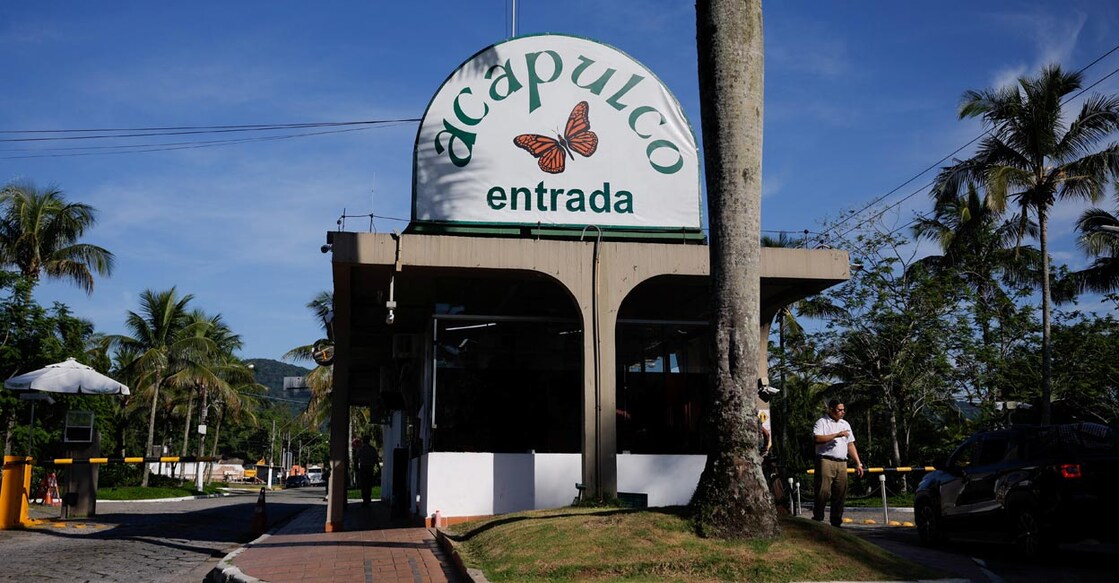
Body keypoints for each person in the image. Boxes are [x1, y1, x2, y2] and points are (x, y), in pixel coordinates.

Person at [812, 398, 864, 526]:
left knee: (840, 491)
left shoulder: (845, 424)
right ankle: (818, 517)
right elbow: (817, 438)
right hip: (826, 460)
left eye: (843, 410)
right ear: (831, 410)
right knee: (823, 491)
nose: (842, 412)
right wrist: (836, 435)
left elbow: (850, 444)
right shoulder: (822, 422)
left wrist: (858, 463)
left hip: (842, 462)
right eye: (839, 410)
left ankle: (836, 520)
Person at [356, 435, 379, 507]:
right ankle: (368, 497)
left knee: (363, 484)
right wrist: (378, 466)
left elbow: (356, 458)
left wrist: (356, 467)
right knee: (369, 484)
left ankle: (365, 498)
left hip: (363, 467)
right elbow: (376, 458)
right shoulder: (372, 449)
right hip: (370, 467)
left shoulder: (361, 449)